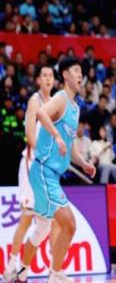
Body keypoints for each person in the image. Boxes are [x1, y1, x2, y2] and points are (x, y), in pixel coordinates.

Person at [15, 58, 96, 283]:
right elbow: (41, 113)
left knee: (42, 230)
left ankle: (22, 272)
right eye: (76, 71)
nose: (80, 75)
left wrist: (83, 163)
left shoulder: (75, 108)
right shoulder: (60, 98)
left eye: (81, 72)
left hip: (52, 175)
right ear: (65, 75)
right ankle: (55, 274)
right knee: (69, 223)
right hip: (42, 171)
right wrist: (57, 136)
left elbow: (70, 147)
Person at [3, 66, 60, 282]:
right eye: (44, 75)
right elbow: (29, 134)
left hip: (46, 169)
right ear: (38, 80)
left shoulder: (56, 105)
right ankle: (10, 266)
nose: (47, 79)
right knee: (27, 218)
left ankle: (31, 271)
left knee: (48, 224)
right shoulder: (35, 101)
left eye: (50, 76)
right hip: (31, 165)